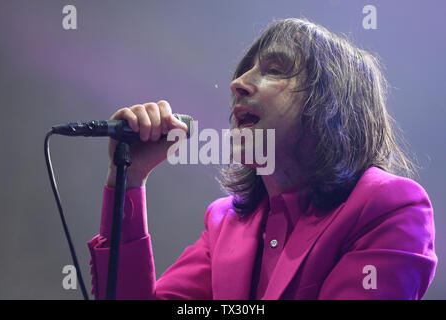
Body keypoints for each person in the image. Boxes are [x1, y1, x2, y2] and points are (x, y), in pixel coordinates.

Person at [87, 18, 437, 299]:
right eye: (244, 71)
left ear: (332, 105)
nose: (237, 83)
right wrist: (128, 178)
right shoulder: (224, 221)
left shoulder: (388, 206)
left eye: (274, 69)